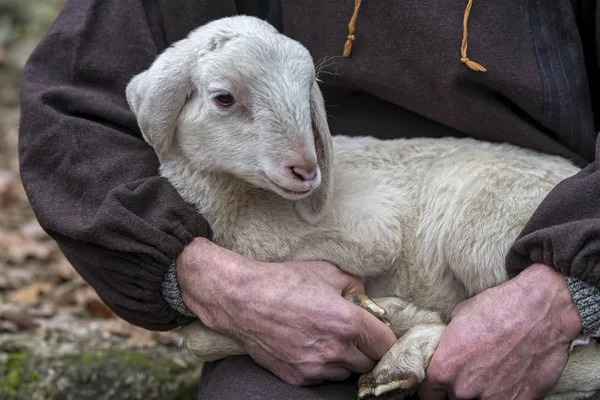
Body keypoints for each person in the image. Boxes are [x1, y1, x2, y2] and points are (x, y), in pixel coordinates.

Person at [18, 0, 600, 399]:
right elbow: (71, 104)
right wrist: (207, 279)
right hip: (300, 301)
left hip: (548, 238)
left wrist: (562, 292)